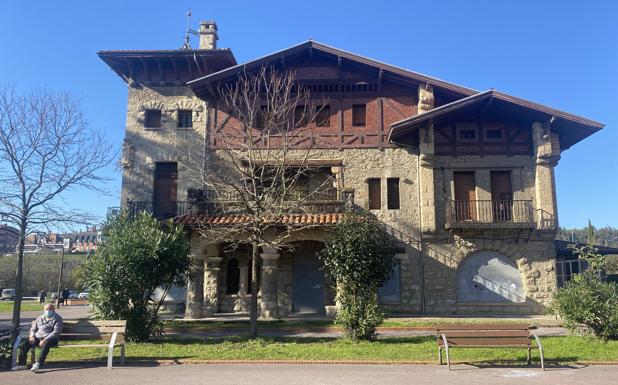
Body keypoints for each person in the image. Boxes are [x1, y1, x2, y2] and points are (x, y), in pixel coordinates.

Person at [13, 303, 63, 373]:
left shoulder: (58, 318)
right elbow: (33, 329)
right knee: (25, 344)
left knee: (46, 344)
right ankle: (22, 364)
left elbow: (56, 332)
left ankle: (38, 364)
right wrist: (32, 336)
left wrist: (45, 339)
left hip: (51, 339)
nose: (48, 310)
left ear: (54, 309)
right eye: (46, 309)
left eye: (50, 309)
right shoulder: (39, 318)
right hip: (38, 337)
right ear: (44, 310)